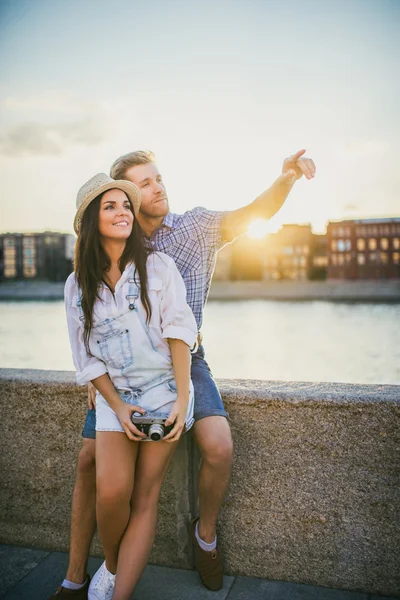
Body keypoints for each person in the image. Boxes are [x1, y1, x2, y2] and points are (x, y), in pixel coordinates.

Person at [50, 149, 316, 599]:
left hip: (184, 359)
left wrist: (286, 179)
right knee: (89, 461)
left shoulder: (191, 230)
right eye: (144, 184)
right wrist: (102, 389)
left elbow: (254, 214)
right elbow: (90, 339)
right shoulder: (92, 270)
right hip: (119, 370)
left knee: (218, 445)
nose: (157, 188)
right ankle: (76, 575)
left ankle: (205, 537)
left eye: (157, 180)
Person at [63, 173, 198, 600]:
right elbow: (86, 361)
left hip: (165, 391)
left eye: (126, 205)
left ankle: (116, 591)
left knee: (144, 496)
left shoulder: (158, 266)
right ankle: (115, 561)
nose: (123, 212)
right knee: (111, 493)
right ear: (90, 220)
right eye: (110, 206)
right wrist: (118, 407)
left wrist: (181, 398)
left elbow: (180, 333)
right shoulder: (76, 286)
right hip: (116, 397)